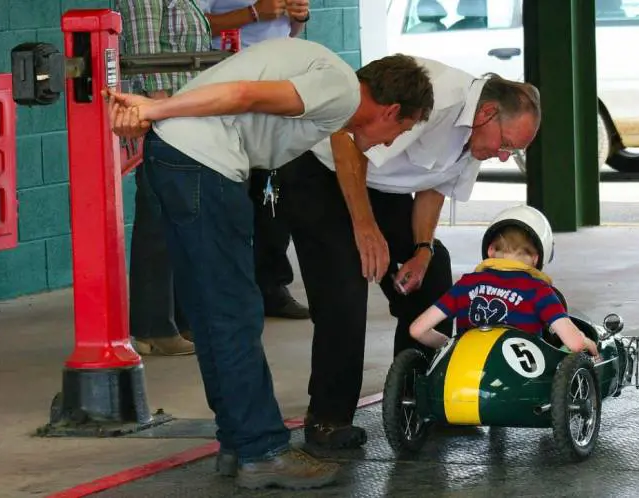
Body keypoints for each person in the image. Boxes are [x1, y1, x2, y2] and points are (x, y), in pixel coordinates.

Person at [105, 39, 434, 490]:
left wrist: (158, 112)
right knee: (235, 313)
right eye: (401, 129)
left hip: (178, 158)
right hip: (204, 164)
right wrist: (152, 109)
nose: (392, 142)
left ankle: (239, 442)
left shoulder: (331, 83)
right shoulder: (341, 89)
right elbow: (243, 94)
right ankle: (262, 451)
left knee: (211, 312)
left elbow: (243, 94)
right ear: (391, 109)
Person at [277, 59, 542, 449]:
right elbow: (347, 138)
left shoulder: (479, 136)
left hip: (382, 188)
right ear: (487, 113)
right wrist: (365, 228)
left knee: (434, 271)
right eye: (506, 145)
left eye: (513, 151)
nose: (503, 156)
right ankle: (328, 420)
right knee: (345, 284)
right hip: (323, 173)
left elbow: (435, 185)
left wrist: (421, 250)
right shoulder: (437, 98)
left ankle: (421, 399)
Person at [199, 0, 312, 319]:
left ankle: (271, 287)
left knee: (273, 195)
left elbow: (290, 30)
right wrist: (253, 13)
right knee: (230, 197)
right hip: (228, 84)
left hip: (277, 83)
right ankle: (229, 293)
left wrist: (299, 15)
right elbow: (197, 26)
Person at [117, 0, 213, 356]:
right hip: (166, 117)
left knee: (175, 218)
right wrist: (162, 116)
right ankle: (153, 326)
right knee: (157, 221)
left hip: (181, 113)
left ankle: (178, 320)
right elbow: (147, 55)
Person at [409, 204, 600, 360]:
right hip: (520, 384)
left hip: (463, 374)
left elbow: (417, 330)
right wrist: (586, 342)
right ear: (536, 259)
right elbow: (574, 344)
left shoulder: (466, 284)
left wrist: (450, 346)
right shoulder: (539, 291)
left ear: (491, 250)